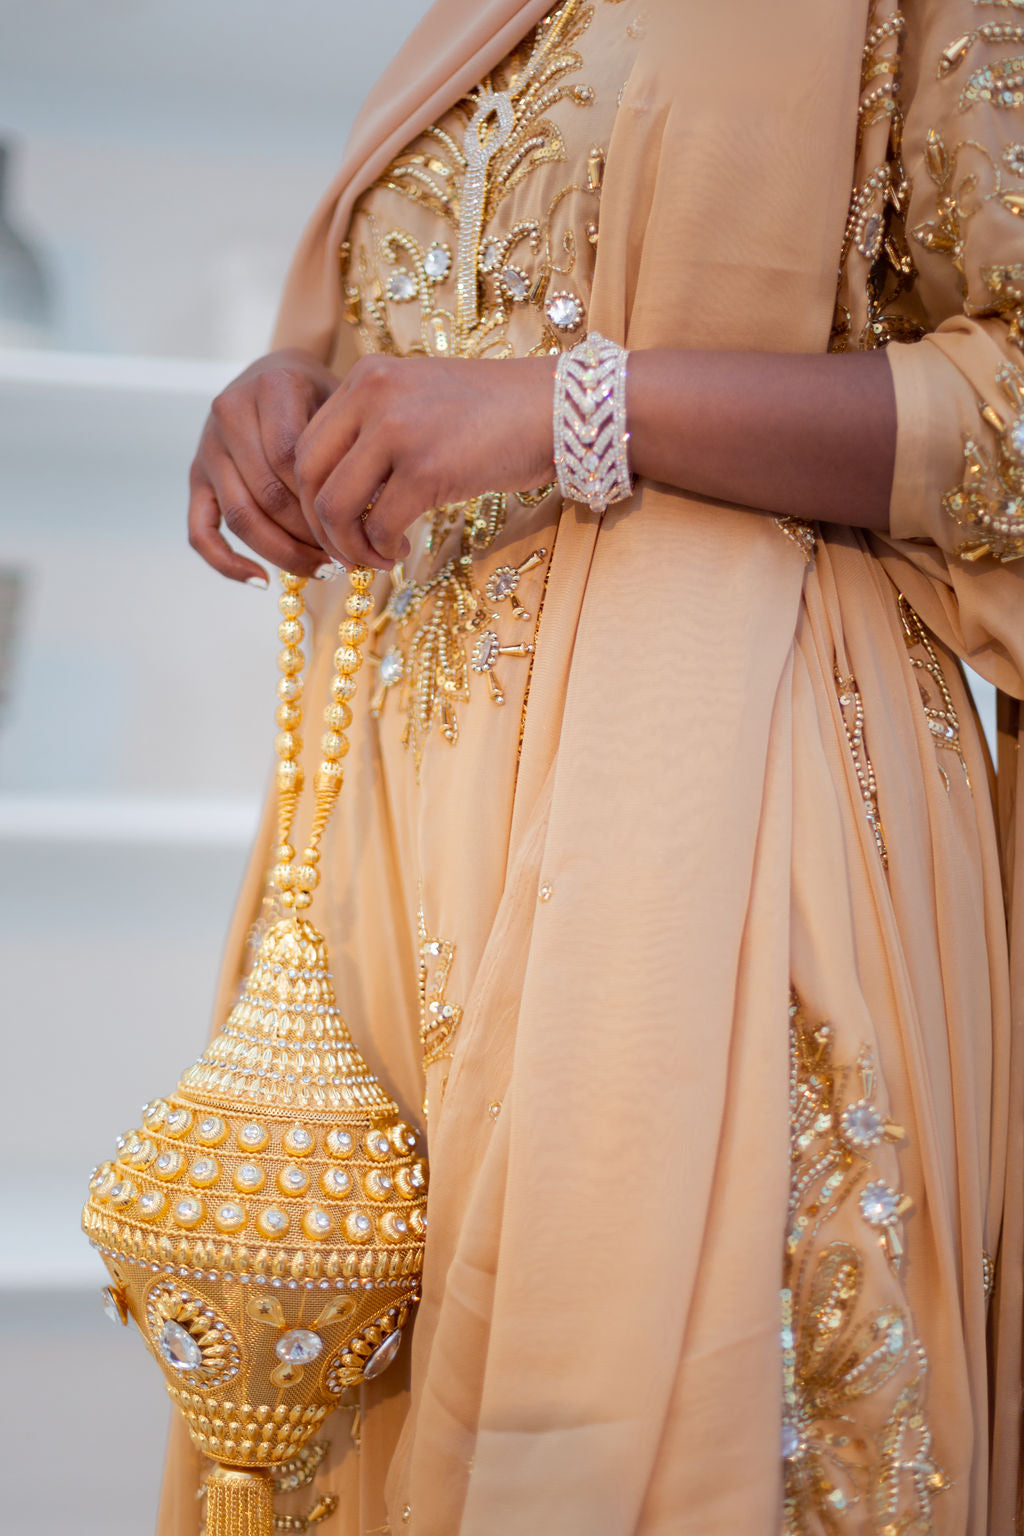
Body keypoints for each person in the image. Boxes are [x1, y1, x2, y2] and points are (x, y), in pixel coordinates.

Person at [159, 0, 1024, 1530]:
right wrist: (295, 393)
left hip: (725, 826)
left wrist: (577, 411)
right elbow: (436, 341)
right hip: (410, 856)